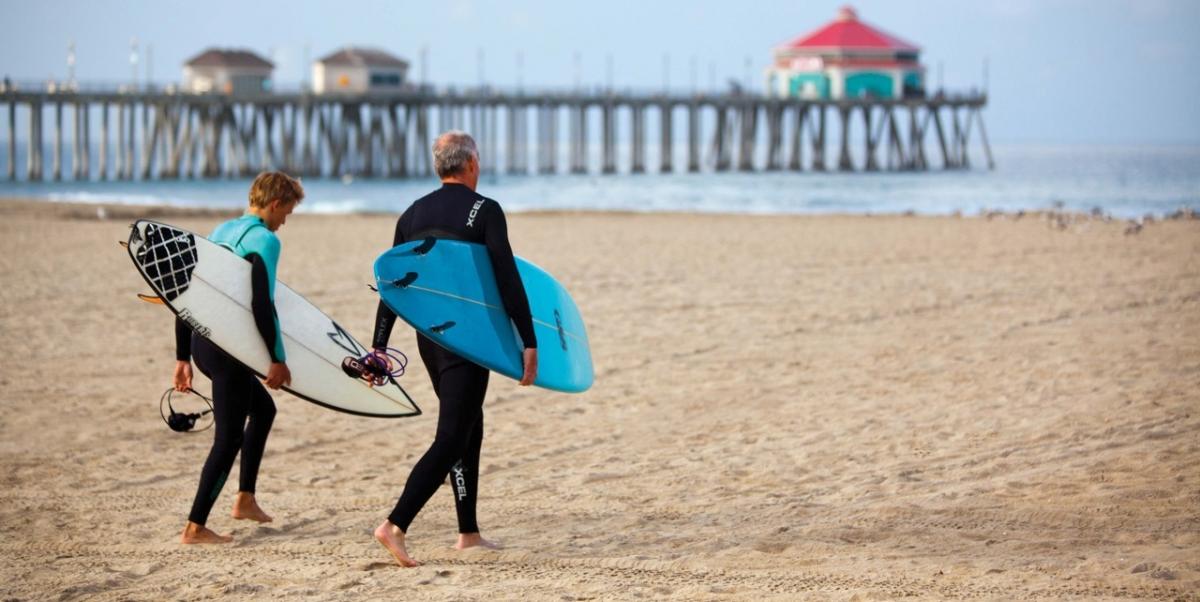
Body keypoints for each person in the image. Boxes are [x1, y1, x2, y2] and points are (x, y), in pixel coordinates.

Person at [372, 131, 538, 567]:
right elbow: (507, 278)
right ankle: (395, 525)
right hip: (468, 339)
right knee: (451, 437)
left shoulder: (412, 213)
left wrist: (379, 345)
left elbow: (393, 287)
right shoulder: (485, 210)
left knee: (469, 426)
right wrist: (528, 339)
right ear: (471, 164)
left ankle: (468, 532)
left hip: (431, 339)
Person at [172, 171, 303, 544]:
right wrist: (276, 358)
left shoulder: (222, 230)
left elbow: (188, 293)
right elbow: (262, 303)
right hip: (228, 351)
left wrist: (182, 357)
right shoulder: (266, 240)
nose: (284, 222)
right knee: (228, 440)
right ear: (274, 204)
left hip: (203, 343)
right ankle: (195, 527)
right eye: (286, 213)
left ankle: (245, 499)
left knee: (263, 411)